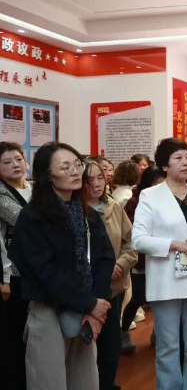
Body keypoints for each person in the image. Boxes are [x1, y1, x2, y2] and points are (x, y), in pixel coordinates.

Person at [8, 142, 115, 390]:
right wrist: (90, 303)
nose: (75, 171)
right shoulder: (33, 217)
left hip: (86, 309)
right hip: (49, 308)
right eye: (65, 167)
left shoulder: (88, 214)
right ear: (47, 175)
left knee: (85, 380)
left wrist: (96, 304)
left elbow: (104, 258)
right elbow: (44, 271)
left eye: (78, 165)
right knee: (49, 380)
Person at [132, 138, 187, 389]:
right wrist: (175, 245)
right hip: (166, 279)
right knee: (168, 345)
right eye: (178, 158)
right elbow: (138, 239)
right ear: (164, 165)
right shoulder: (150, 195)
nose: (185, 163)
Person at [82, 160, 137, 390]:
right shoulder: (72, 209)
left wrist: (120, 265)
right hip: (84, 291)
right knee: (84, 346)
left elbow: (130, 243)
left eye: (100, 177)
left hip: (112, 287)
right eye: (89, 179)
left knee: (111, 345)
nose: (97, 184)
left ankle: (107, 384)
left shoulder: (114, 206)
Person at [121, 166, 165, 353]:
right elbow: (131, 233)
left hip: (163, 257)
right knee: (137, 297)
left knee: (161, 298)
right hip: (141, 260)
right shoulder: (134, 202)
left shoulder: (169, 200)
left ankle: (158, 332)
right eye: (157, 185)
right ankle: (123, 331)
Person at [0, 142, 32, 390]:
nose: (15, 165)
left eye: (18, 159)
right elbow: (25, 221)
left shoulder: (34, 189)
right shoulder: (2, 195)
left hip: (37, 271)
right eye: (6, 162)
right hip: (14, 273)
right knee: (15, 335)